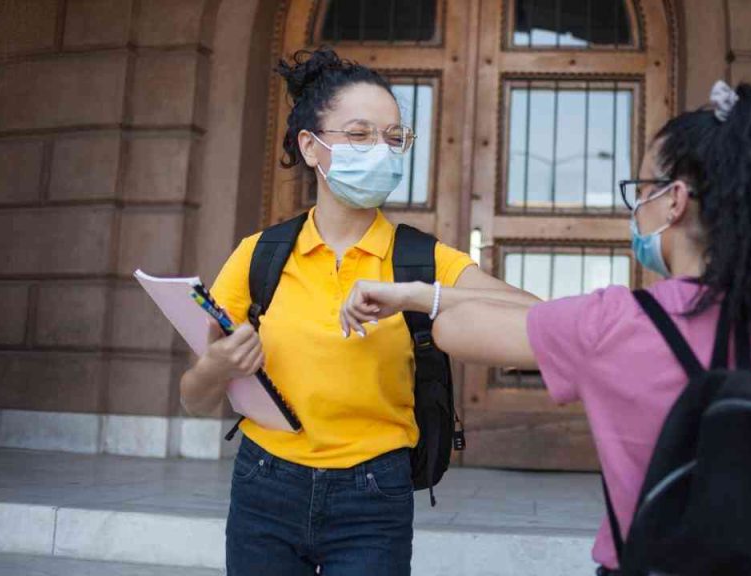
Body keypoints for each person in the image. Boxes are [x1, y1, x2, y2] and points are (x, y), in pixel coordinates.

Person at [340, 82, 751, 575]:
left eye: (642, 190)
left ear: (675, 202)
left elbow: (457, 330)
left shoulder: (612, 323)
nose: (636, 207)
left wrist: (420, 294)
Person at [179, 47, 537, 576]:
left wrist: (418, 295)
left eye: (394, 138)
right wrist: (217, 367)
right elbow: (195, 400)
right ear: (311, 147)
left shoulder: (422, 259)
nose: (381, 150)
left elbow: (537, 315)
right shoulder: (259, 255)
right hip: (263, 485)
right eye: (361, 133)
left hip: (375, 495)